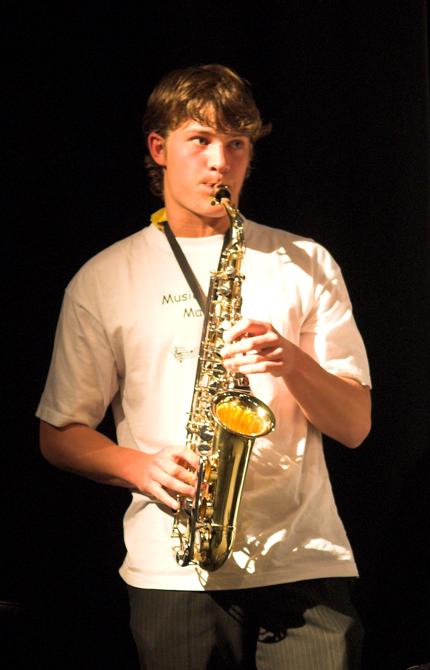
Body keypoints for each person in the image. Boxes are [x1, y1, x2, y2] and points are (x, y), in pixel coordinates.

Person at [36, 64, 371, 669]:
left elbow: (355, 426)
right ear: (158, 148)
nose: (221, 163)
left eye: (237, 144)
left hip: (303, 560)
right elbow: (59, 434)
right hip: (173, 569)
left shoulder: (305, 261)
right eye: (201, 140)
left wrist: (292, 362)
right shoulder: (103, 278)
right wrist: (138, 466)